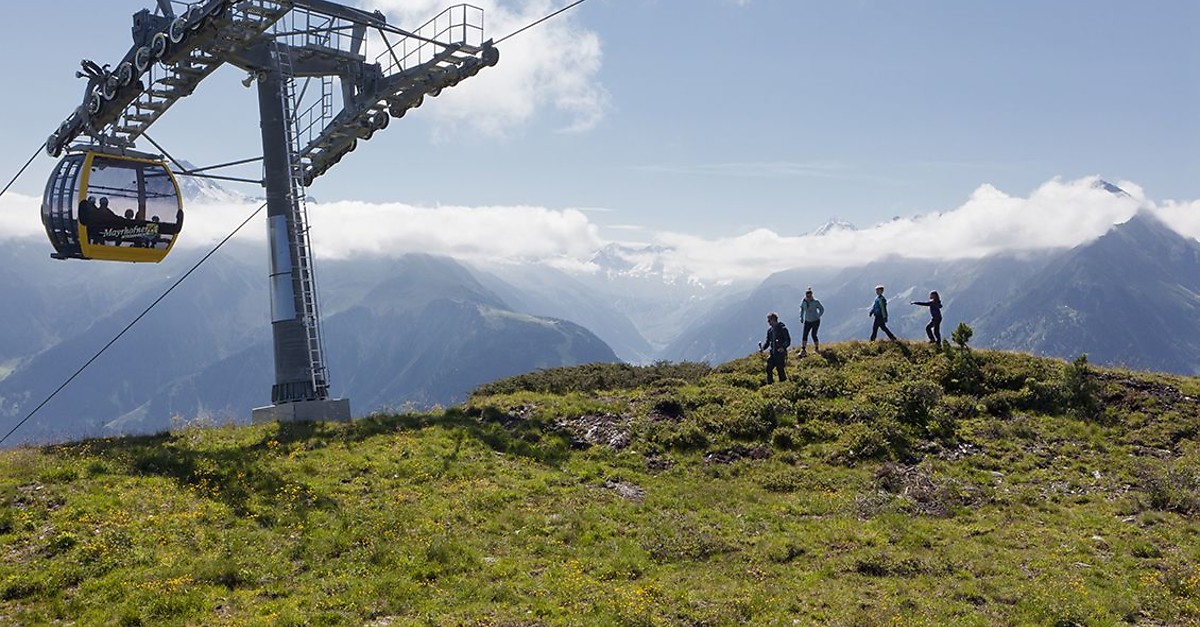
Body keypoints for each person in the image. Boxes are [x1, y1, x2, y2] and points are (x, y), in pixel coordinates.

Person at [759, 312, 791, 384]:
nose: (768, 322)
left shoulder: (783, 329)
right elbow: (768, 342)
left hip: (780, 353)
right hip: (773, 353)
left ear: (773, 320)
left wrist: (783, 347)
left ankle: (783, 383)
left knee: (780, 369)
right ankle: (770, 383)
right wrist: (763, 348)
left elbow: (788, 340)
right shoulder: (770, 331)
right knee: (768, 368)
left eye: (769, 320)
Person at [798, 287, 824, 356]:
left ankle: (817, 348)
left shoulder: (816, 302)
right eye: (807, 296)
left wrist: (819, 315)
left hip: (815, 320)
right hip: (807, 321)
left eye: (809, 296)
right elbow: (802, 309)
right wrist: (801, 317)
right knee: (805, 334)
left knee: (813, 334)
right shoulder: (804, 301)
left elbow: (821, 309)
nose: (808, 298)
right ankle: (803, 349)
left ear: (811, 295)